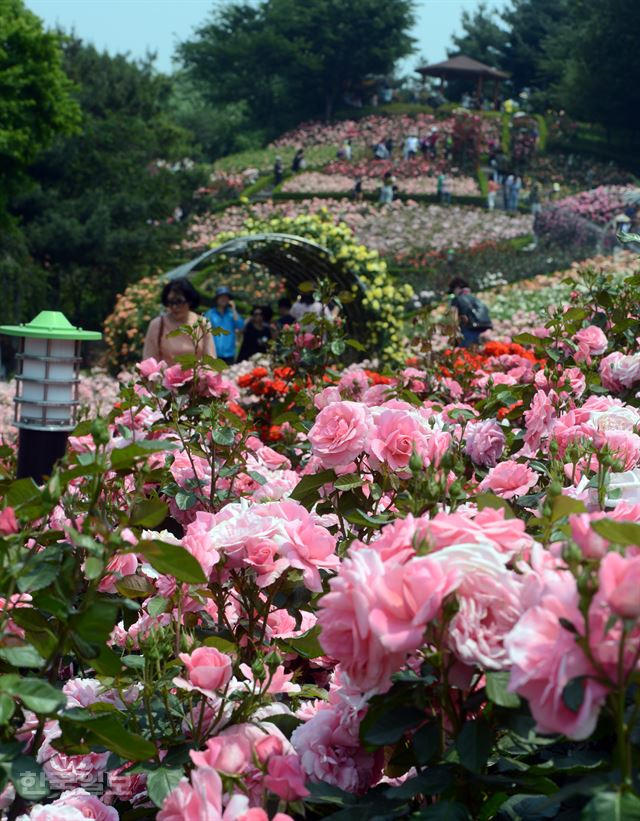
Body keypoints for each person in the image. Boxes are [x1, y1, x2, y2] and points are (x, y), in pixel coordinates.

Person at [143, 278, 215, 366]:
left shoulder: (202, 324)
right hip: (166, 378)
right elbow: (148, 361)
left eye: (179, 302)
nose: (174, 307)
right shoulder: (157, 325)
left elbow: (211, 360)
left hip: (197, 378)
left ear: (190, 300)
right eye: (170, 302)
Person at [204, 286, 244, 366]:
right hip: (214, 352)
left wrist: (234, 309)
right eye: (221, 297)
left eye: (226, 297)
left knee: (228, 377)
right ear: (217, 299)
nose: (224, 299)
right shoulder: (210, 314)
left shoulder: (232, 314)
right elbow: (204, 332)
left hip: (229, 353)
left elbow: (240, 326)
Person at [449, 277, 492, 348]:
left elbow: (453, 318)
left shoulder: (456, 299)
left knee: (466, 354)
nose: (454, 293)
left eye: (453, 291)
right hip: (483, 329)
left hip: (467, 331)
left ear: (457, 288)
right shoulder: (475, 298)